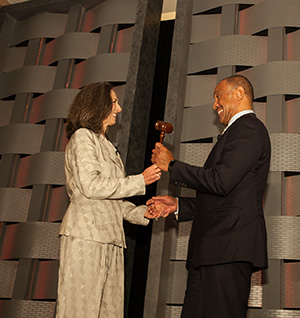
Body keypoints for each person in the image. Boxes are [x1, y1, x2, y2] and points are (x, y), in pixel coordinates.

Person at [148, 75, 271, 318]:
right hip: (212, 252)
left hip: (227, 250)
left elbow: (220, 180)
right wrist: (178, 205)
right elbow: (225, 197)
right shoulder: (236, 132)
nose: (214, 104)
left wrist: (172, 165)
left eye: (218, 95)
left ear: (238, 93)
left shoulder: (249, 128)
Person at [56, 82, 161, 318]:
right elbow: (91, 186)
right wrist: (140, 180)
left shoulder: (108, 147)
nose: (119, 108)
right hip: (86, 236)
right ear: (97, 105)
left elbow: (114, 200)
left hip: (111, 239)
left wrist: (143, 212)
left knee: (109, 312)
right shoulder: (83, 137)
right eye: (113, 102)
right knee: (80, 311)